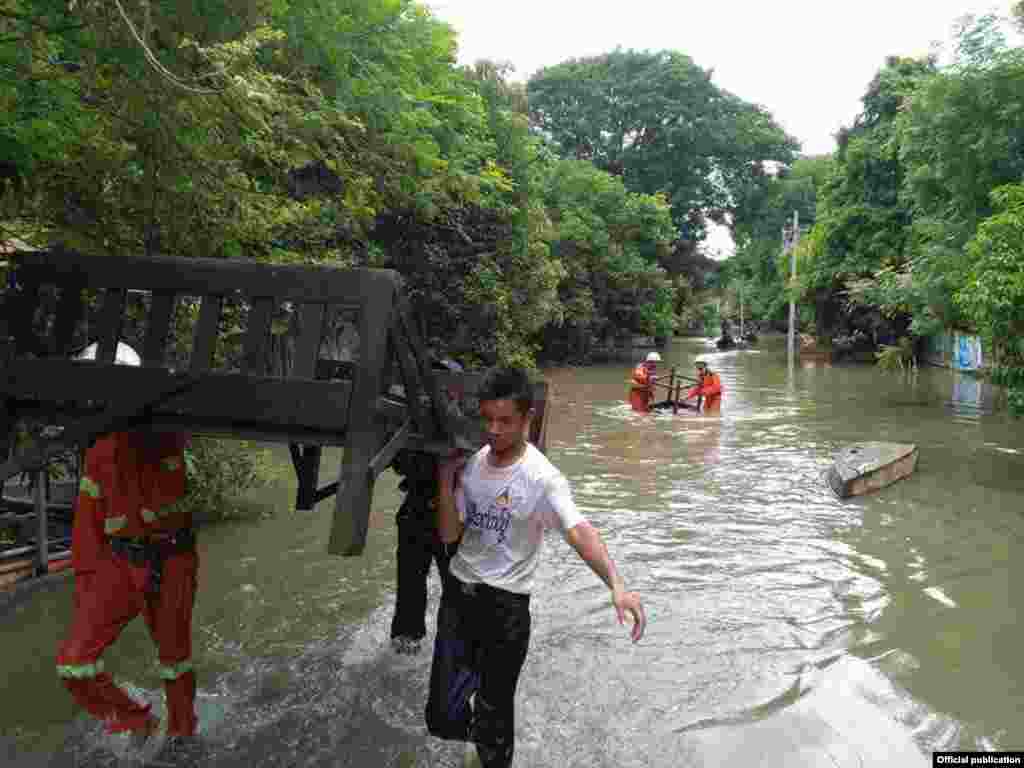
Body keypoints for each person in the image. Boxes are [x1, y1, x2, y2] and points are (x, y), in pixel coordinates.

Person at [425, 367, 646, 768]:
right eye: (487, 419)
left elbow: (579, 531)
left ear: (527, 419)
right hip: (459, 599)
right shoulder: (473, 465)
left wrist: (616, 583)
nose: (494, 430)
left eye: (505, 421)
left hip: (505, 610)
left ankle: (490, 748)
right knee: (441, 717)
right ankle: (479, 737)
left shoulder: (543, 478)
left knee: (493, 721)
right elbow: (447, 535)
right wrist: (444, 481)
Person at [56, 341, 200, 759]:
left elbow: (162, 433)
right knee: (75, 664)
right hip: (120, 564)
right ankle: (138, 721)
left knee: (175, 661)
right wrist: (87, 586)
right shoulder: (96, 449)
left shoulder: (163, 430)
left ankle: (183, 737)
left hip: (174, 560)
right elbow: (88, 521)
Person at [388, 353, 466, 655]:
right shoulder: (408, 420)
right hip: (418, 505)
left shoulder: (469, 422)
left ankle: (458, 641)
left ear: (456, 392)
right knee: (409, 580)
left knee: (458, 585)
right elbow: (397, 463)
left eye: (445, 390)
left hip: (457, 511)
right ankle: (407, 639)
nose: (435, 397)